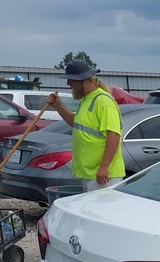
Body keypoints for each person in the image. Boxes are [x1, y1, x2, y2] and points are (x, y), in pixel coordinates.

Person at [46, 60, 124, 191]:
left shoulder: (103, 101)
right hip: (90, 173)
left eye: (71, 79)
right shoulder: (86, 99)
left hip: (103, 175)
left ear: (82, 80)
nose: (68, 84)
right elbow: (75, 124)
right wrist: (58, 106)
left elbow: (114, 134)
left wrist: (104, 166)